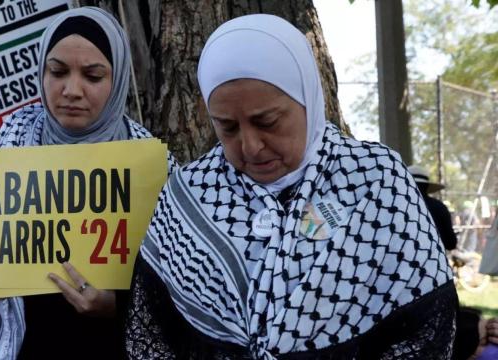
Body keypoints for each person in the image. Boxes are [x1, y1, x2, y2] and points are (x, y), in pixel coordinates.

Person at [126, 14, 457, 359]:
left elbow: (425, 325)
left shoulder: (373, 182)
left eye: (266, 121)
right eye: (227, 128)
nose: (250, 146)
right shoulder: (190, 195)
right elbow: (150, 330)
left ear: (307, 99)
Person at [0, 7, 175, 359]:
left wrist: (117, 307)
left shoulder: (153, 170)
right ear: (41, 73)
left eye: (92, 76)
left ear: (119, 78)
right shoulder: (5, 155)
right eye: (58, 71)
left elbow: (180, 301)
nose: (71, 90)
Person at [408, 165, 458, 251]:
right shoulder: (440, 207)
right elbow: (451, 243)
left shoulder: (397, 208)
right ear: (427, 186)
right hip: (434, 261)